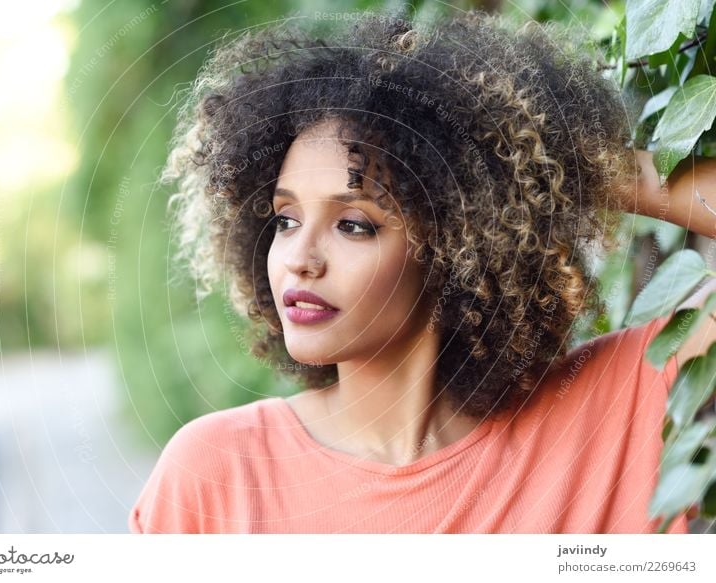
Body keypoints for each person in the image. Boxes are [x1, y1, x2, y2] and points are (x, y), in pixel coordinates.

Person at [128, 8, 716, 533]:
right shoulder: (216, 475)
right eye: (284, 219)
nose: (298, 258)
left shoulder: (613, 408)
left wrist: (557, 171)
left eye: (353, 224)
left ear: (457, 243)